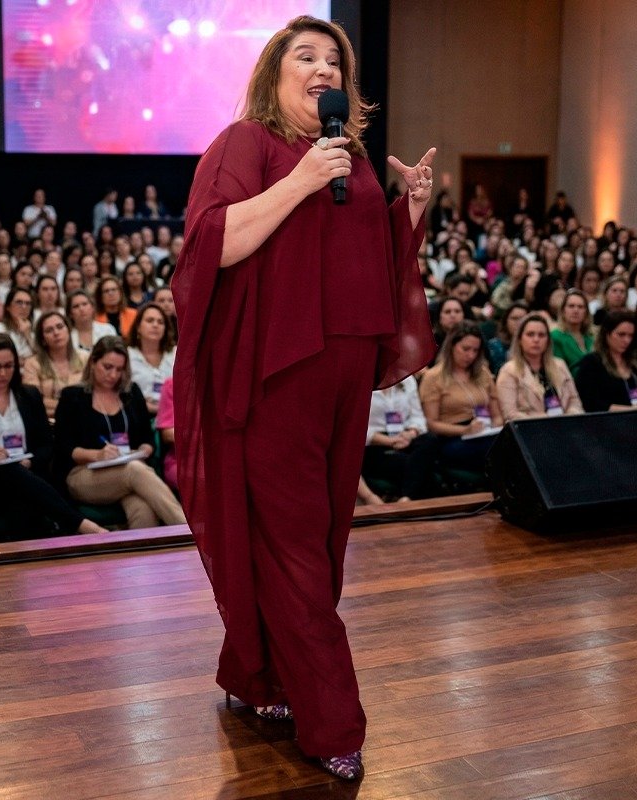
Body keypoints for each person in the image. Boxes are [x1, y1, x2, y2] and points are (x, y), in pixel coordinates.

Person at [170, 16, 435, 780]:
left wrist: (407, 211)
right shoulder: (244, 145)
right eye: (305, 56)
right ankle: (332, 721)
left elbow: (368, 261)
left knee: (315, 546)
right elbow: (211, 243)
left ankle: (259, 678)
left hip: (344, 375)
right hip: (277, 376)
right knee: (292, 547)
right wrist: (298, 182)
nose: (324, 69)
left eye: (335, 60)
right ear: (272, 74)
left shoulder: (348, 158)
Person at [0, 334, 105, 536]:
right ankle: (78, 524)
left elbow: (47, 446)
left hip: (26, 478)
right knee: (11, 476)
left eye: (9, 366)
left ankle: (32, 561)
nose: (3, 373)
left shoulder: (29, 396)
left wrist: (29, 461)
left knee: (21, 498)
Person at [53, 336, 186, 529]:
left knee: (142, 508)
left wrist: (143, 450)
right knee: (135, 470)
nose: (113, 375)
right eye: (107, 367)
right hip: (83, 473)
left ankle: (144, 556)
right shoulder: (72, 396)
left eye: (119, 369)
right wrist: (97, 455)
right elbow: (64, 447)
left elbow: (147, 440)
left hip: (126, 470)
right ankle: (187, 532)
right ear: (93, 362)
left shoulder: (131, 393)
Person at [419, 322, 503, 474]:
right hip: (452, 436)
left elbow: (497, 415)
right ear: (452, 346)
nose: (470, 355)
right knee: (493, 450)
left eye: (475, 350)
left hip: (484, 430)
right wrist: (465, 430)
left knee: (506, 444)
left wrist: (494, 427)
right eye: (465, 349)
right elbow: (431, 423)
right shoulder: (433, 377)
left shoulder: (482, 373)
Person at [362, 376, 437, 501]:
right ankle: (407, 498)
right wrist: (389, 441)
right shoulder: (361, 381)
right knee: (423, 469)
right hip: (374, 444)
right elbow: (353, 427)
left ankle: (406, 498)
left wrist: (411, 434)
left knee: (430, 439)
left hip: (404, 436)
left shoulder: (407, 379)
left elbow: (418, 418)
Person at [496, 313, 583, 420]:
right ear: (519, 340)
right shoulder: (508, 371)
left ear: (548, 341)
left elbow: (574, 401)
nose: (536, 340)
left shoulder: (560, 365)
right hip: (530, 432)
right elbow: (510, 414)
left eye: (541, 335)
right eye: (530, 334)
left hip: (565, 428)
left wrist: (568, 417)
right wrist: (547, 421)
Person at [574, 311, 637, 412]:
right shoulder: (592, 363)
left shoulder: (636, 362)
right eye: (621, 335)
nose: (627, 340)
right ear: (607, 334)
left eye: (630, 335)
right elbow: (591, 404)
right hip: (607, 422)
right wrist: (630, 410)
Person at [23, 311, 86, 419]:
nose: (56, 333)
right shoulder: (32, 364)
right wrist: (72, 407)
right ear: (43, 339)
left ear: (68, 330)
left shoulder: (86, 358)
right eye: (49, 330)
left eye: (60, 327)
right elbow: (33, 401)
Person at [127, 303, 176, 415]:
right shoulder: (127, 356)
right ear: (138, 327)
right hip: (137, 414)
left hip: (173, 416)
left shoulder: (175, 354)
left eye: (160, 322)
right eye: (150, 320)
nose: (155, 325)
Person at [550, 289, 595, 374]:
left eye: (580, 307)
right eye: (571, 306)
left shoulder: (591, 337)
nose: (576, 310)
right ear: (563, 311)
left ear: (586, 312)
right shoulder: (555, 337)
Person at [0, 287, 35, 363]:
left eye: (28, 303)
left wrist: (27, 335)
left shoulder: (34, 335)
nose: (24, 307)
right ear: (8, 307)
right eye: (19, 302)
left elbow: (42, 359)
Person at [66, 289, 116, 354]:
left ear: (92, 307)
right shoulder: (67, 336)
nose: (81, 309)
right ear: (70, 313)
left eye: (84, 304)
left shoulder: (107, 330)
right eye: (76, 306)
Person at [486, 300, 529, 375]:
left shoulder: (535, 344)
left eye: (523, 319)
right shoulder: (494, 345)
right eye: (514, 318)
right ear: (506, 322)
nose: (519, 323)